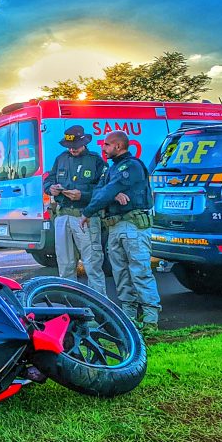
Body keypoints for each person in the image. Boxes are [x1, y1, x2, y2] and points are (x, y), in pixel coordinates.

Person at [81, 131, 161, 334]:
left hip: (132, 226)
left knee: (140, 272)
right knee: (121, 274)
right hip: (115, 227)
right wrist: (113, 193)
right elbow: (100, 190)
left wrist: (90, 210)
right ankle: (130, 319)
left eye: (107, 145)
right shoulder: (111, 168)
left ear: (118, 146)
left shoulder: (131, 166)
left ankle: (151, 320)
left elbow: (107, 190)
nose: (103, 148)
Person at [42, 125, 108, 295]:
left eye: (76, 146)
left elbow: (105, 189)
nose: (72, 149)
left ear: (84, 142)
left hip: (84, 217)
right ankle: (71, 304)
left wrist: (83, 195)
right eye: (69, 146)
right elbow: (48, 180)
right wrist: (51, 189)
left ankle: (99, 307)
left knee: (92, 264)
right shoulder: (61, 158)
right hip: (63, 216)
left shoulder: (95, 160)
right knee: (65, 265)